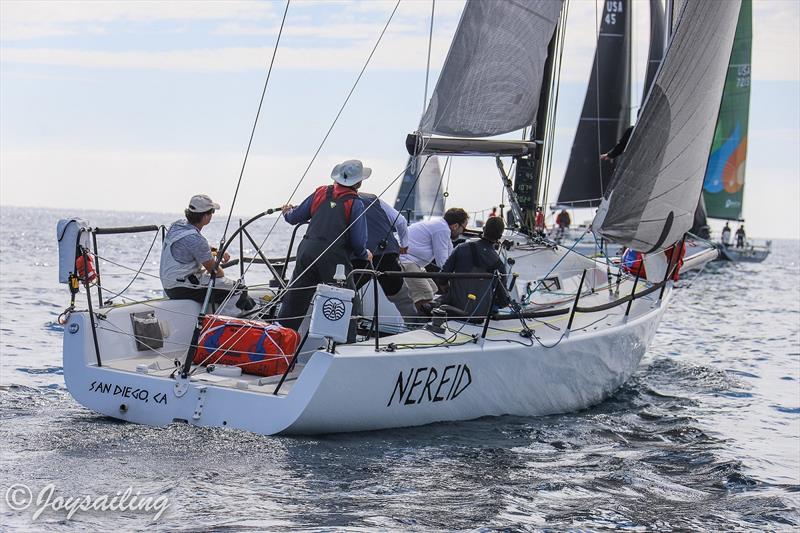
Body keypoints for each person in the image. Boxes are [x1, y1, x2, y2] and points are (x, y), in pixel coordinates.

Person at [277, 159, 372, 333]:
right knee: (346, 300)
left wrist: (286, 212)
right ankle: (345, 345)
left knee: (295, 299)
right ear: (358, 183)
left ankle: (279, 338)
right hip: (334, 258)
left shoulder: (320, 192)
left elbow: (293, 217)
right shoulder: (355, 203)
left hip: (307, 251)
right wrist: (365, 254)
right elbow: (358, 242)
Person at [160, 194, 255, 311]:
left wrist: (215, 251)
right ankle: (237, 322)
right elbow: (217, 273)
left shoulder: (177, 225)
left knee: (220, 287)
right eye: (212, 212)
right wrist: (215, 261)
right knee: (240, 289)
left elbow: (193, 247)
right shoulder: (197, 240)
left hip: (169, 285)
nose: (212, 215)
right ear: (205, 217)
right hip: (182, 288)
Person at [352, 191, 418, 321]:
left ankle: (351, 326)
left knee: (347, 291)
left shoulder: (339, 200)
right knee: (400, 296)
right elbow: (401, 221)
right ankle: (416, 326)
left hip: (360, 256)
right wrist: (404, 245)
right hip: (387, 252)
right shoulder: (373, 199)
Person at [438, 216, 510, 321]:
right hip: (479, 316)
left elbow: (442, 277)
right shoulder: (498, 264)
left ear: (484, 229)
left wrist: (449, 291)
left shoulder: (461, 248)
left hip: (453, 310)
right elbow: (503, 300)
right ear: (499, 236)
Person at [399, 207, 469, 313]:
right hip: (405, 260)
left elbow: (451, 257)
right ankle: (413, 323)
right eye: (464, 228)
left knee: (433, 290)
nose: (463, 231)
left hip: (412, 263)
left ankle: (419, 320)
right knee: (425, 294)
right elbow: (443, 262)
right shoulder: (442, 229)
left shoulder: (442, 227)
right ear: (455, 226)